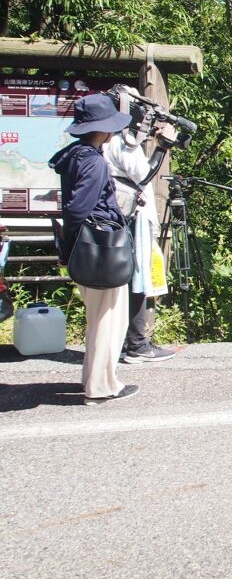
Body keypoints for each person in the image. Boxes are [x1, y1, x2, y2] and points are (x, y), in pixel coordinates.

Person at [48, 94, 138, 405]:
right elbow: (78, 209)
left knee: (97, 315)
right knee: (108, 319)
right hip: (98, 249)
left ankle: (93, 379)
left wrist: (69, 247)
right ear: (104, 128)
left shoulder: (74, 155)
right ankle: (101, 387)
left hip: (83, 249)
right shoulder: (94, 162)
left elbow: (72, 209)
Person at [103, 93, 177, 363]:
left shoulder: (103, 139)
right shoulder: (123, 141)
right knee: (138, 276)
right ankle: (137, 343)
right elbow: (144, 174)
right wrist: (163, 146)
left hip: (116, 215)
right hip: (134, 216)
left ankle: (125, 341)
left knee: (126, 277)